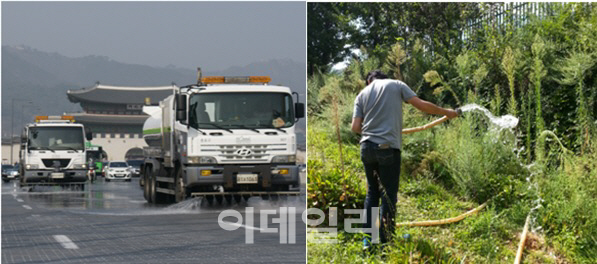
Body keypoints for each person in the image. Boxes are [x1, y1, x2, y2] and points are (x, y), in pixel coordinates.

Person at [351, 70, 458, 251]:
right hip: (387, 149)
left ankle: (368, 241)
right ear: (384, 78)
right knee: (388, 196)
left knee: (372, 193)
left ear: (369, 81)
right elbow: (421, 105)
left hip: (366, 148)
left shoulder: (361, 94)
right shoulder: (396, 84)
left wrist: (373, 131)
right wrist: (447, 112)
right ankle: (386, 241)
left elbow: (355, 127)